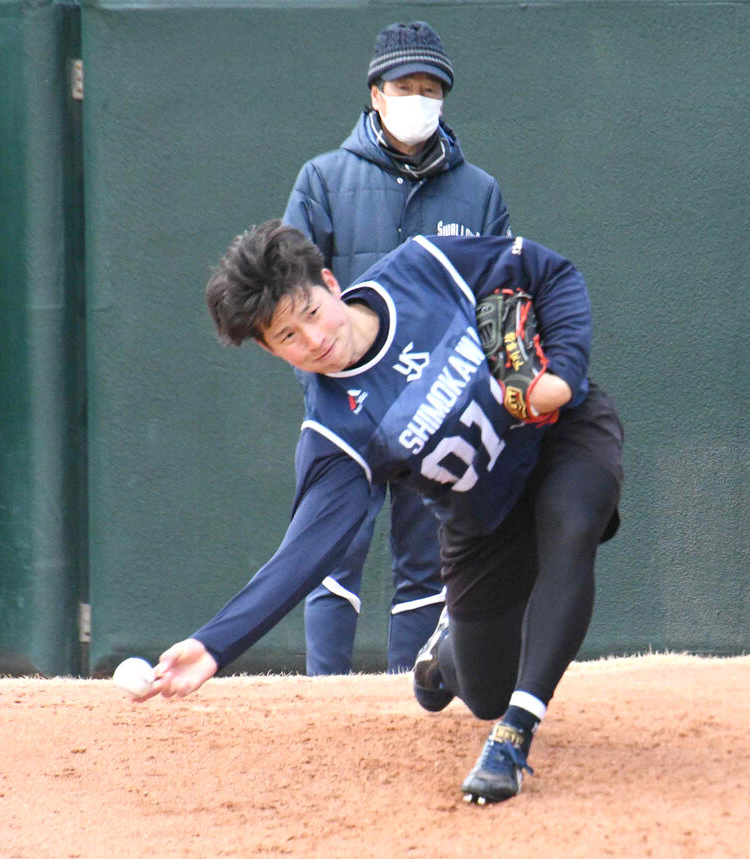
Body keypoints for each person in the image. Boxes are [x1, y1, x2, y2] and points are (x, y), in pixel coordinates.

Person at [142, 220, 622, 806]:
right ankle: (446, 656)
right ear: (270, 351)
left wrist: (564, 377)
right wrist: (215, 644)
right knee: (486, 690)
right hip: (484, 522)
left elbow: (549, 271)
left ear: (329, 281)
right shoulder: (336, 434)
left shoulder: (425, 268)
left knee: (572, 525)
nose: (312, 339)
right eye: (287, 337)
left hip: (561, 438)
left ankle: (513, 737)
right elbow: (306, 552)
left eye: (311, 313)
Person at [282, 21, 512, 675]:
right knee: (330, 548)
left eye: (431, 89)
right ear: (376, 94)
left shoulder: (480, 191)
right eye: (405, 86)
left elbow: (494, 300)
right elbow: (291, 296)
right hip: (346, 407)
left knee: (424, 561)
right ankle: (326, 698)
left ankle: (404, 705)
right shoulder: (322, 179)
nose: (419, 99)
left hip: (432, 407)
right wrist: (322, 386)